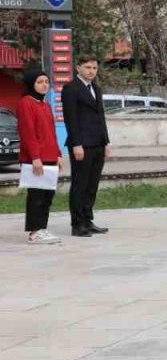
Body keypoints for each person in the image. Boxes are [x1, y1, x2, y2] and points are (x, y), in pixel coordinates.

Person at [61, 56, 111, 237]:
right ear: (78, 68)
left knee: (92, 185)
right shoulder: (70, 88)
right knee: (80, 184)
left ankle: (88, 220)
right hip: (81, 145)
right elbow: (70, 119)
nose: (91, 71)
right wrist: (76, 144)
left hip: (97, 143)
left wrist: (106, 141)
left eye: (94, 68)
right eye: (88, 67)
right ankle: (77, 224)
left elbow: (101, 117)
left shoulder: (95, 88)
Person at [17, 70, 63, 244]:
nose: (44, 85)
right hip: (36, 159)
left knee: (47, 196)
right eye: (39, 82)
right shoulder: (26, 103)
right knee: (36, 196)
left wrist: (57, 154)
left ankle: (42, 228)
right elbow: (28, 133)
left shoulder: (45, 105)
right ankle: (34, 232)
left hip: (50, 156)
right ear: (31, 84)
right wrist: (35, 157)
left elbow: (51, 133)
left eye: (46, 81)